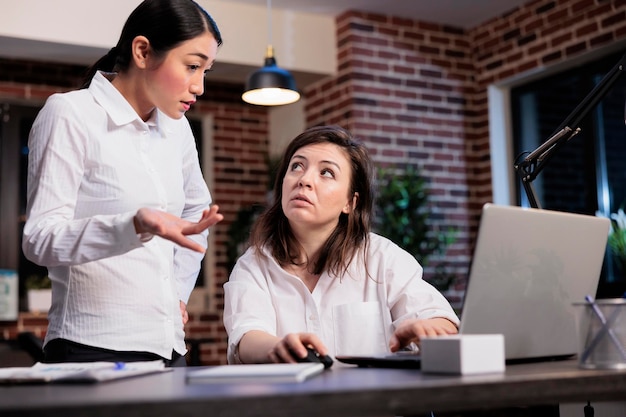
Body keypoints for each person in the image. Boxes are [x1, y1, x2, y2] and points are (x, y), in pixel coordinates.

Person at [21, 0, 224, 367]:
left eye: (206, 70)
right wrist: (133, 224)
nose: (200, 85)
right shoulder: (71, 114)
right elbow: (39, 238)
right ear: (142, 51)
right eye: (193, 66)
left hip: (168, 348)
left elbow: (196, 213)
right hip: (90, 348)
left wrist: (177, 293)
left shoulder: (176, 129)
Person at [223, 125, 459, 364]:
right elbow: (246, 338)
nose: (304, 180)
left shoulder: (382, 258)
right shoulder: (254, 264)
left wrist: (425, 329)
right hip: (288, 399)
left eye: (326, 172)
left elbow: (441, 319)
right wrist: (278, 347)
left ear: (350, 202)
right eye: (296, 166)